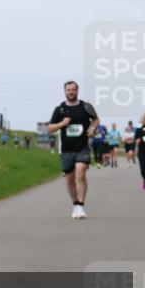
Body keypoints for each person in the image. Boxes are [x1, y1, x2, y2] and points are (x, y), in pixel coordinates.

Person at [48, 81, 99, 219]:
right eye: (68, 90)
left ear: (77, 90)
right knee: (70, 179)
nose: (71, 92)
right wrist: (63, 123)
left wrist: (92, 129)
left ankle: (81, 206)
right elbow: (50, 128)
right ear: (65, 91)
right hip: (66, 149)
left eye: (73, 89)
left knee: (81, 173)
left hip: (82, 147)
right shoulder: (60, 109)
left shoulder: (85, 106)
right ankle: (75, 204)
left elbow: (95, 119)